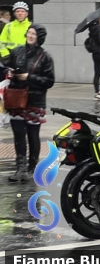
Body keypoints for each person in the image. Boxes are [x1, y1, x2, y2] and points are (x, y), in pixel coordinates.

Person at [6, 24, 55, 182]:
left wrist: (28, 77)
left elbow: (49, 81)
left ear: (39, 37)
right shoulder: (16, 51)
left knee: (33, 135)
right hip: (17, 99)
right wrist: (10, 73)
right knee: (18, 134)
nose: (30, 35)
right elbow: (7, 67)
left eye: (34, 33)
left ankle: (32, 168)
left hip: (35, 100)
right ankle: (20, 168)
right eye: (29, 32)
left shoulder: (45, 57)